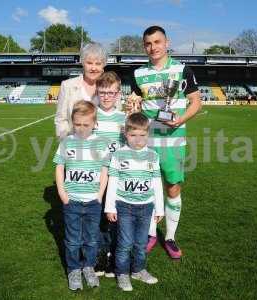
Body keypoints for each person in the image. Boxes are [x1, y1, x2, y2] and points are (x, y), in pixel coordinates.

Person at [129, 25, 202, 259]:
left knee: (172, 187)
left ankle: (169, 237)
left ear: (166, 43)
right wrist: (132, 106)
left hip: (173, 141)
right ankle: (151, 234)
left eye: (157, 42)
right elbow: (135, 105)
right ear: (144, 46)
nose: (153, 47)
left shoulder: (182, 70)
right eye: (148, 44)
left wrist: (180, 120)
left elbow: (196, 102)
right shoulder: (138, 74)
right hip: (146, 142)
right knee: (148, 188)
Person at [54, 100, 110, 291]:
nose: (81, 128)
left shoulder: (100, 143)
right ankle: (73, 269)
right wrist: (62, 193)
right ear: (72, 122)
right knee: (72, 239)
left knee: (92, 238)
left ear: (94, 123)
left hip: (93, 201)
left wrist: (100, 194)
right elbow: (59, 167)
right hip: (73, 201)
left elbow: (104, 170)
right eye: (77, 124)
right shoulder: (67, 142)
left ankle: (88, 266)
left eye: (86, 124)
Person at [104, 113, 164, 291]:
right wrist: (109, 207)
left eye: (142, 135)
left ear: (148, 134)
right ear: (125, 134)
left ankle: (138, 270)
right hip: (124, 207)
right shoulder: (119, 155)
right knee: (125, 243)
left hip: (146, 208)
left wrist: (159, 209)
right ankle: (122, 273)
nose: (138, 140)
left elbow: (156, 184)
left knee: (140, 243)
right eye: (133, 135)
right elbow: (113, 182)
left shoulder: (153, 156)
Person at [93, 71, 126, 277]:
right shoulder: (91, 115)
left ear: (118, 94)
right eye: (103, 92)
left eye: (111, 93)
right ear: (97, 92)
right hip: (96, 178)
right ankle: (100, 256)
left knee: (115, 219)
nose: (106, 96)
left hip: (117, 179)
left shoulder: (124, 118)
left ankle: (114, 257)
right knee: (97, 219)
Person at [55, 42, 108, 139]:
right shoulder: (67, 86)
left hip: (103, 145)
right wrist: (66, 141)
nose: (93, 68)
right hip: (75, 145)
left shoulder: (111, 88)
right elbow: (61, 119)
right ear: (83, 63)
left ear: (103, 65)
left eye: (98, 64)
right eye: (89, 63)